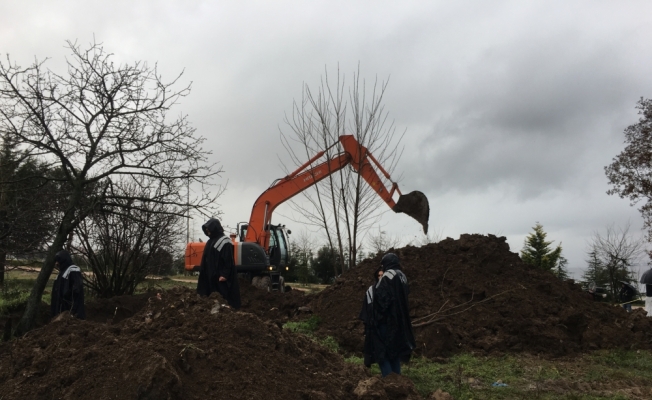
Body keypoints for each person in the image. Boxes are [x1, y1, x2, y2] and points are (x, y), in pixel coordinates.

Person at [372, 253, 416, 377]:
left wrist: (376, 320)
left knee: (382, 354)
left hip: (387, 321)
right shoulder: (403, 276)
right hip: (401, 322)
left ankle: (389, 382)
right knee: (395, 352)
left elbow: (381, 300)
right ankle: (398, 382)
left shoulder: (388, 275)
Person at [197, 218, 241, 309]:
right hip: (210, 275)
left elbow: (228, 260)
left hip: (220, 277)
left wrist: (224, 274)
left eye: (209, 228)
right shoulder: (210, 241)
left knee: (223, 297)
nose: (207, 231)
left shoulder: (225, 241)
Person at [359, 266, 383, 368]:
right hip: (373, 323)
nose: (381, 277)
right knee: (370, 344)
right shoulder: (370, 290)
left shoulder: (391, 290)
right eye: (379, 275)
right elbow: (366, 307)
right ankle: (368, 365)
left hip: (384, 323)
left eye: (383, 275)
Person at [50, 249, 86, 319]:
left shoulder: (73, 270)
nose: (56, 263)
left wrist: (73, 310)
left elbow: (76, 290)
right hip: (61, 310)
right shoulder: (62, 272)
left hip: (70, 312)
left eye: (58, 260)